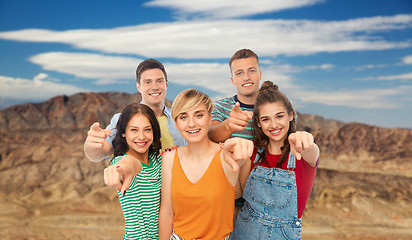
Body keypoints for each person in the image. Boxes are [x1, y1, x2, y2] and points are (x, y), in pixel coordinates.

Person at [158, 89, 253, 240]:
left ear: (209, 119)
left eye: (198, 115)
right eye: (183, 117)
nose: (191, 123)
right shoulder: (169, 158)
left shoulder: (226, 156)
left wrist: (242, 149)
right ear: (176, 123)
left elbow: (238, 192)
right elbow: (167, 211)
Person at [231, 81, 320, 240]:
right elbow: (236, 194)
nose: (274, 125)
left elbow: (312, 150)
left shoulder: (303, 153)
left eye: (279, 116)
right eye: (266, 119)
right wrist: (236, 164)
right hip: (246, 230)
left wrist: (306, 139)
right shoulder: (251, 152)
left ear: (291, 115)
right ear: (258, 123)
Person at [84, 59, 186, 162]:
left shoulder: (180, 118)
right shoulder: (123, 119)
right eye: (148, 82)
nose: (155, 87)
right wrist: (92, 145)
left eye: (159, 81)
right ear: (139, 87)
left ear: (166, 84)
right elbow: (98, 154)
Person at [103, 103, 162, 239]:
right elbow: (131, 165)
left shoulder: (158, 159)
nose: (141, 137)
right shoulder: (122, 161)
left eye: (147, 130)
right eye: (134, 130)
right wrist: (125, 166)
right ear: (123, 132)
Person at [208, 48, 262, 142]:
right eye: (239, 73)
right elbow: (210, 134)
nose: (246, 77)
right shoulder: (220, 106)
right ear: (232, 80)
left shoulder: (278, 106)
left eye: (252, 70)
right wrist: (229, 125)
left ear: (260, 75)